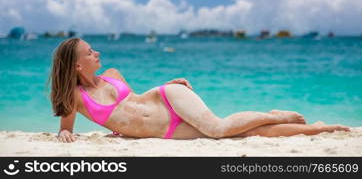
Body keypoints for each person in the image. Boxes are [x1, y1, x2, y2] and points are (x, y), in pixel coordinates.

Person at [49, 38, 350, 143]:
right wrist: (65, 133)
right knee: (244, 135)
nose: (97, 53)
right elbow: (66, 127)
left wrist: (169, 83)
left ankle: (272, 114)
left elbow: (138, 101)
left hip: (168, 99)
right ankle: (316, 129)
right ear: (76, 66)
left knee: (218, 129)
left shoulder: (112, 75)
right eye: (90, 52)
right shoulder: (75, 98)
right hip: (164, 132)